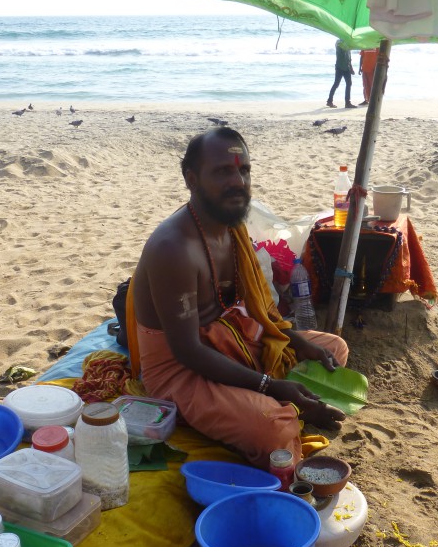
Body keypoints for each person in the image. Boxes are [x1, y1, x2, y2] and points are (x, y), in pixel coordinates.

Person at [130, 127, 349, 468]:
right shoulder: (174, 248)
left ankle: (275, 403)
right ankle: (275, 409)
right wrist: (268, 385)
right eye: (223, 171)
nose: (238, 181)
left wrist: (293, 339)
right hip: (182, 371)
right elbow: (188, 352)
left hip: (238, 344)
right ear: (192, 179)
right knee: (273, 431)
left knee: (333, 349)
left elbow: (257, 312)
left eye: (243, 170)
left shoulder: (231, 227)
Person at [327, 40, 356, 109]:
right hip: (340, 67)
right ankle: (329, 101)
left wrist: (351, 68)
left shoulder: (347, 44)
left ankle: (347, 103)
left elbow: (349, 58)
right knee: (336, 84)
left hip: (347, 68)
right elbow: (341, 54)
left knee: (349, 84)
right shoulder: (339, 43)